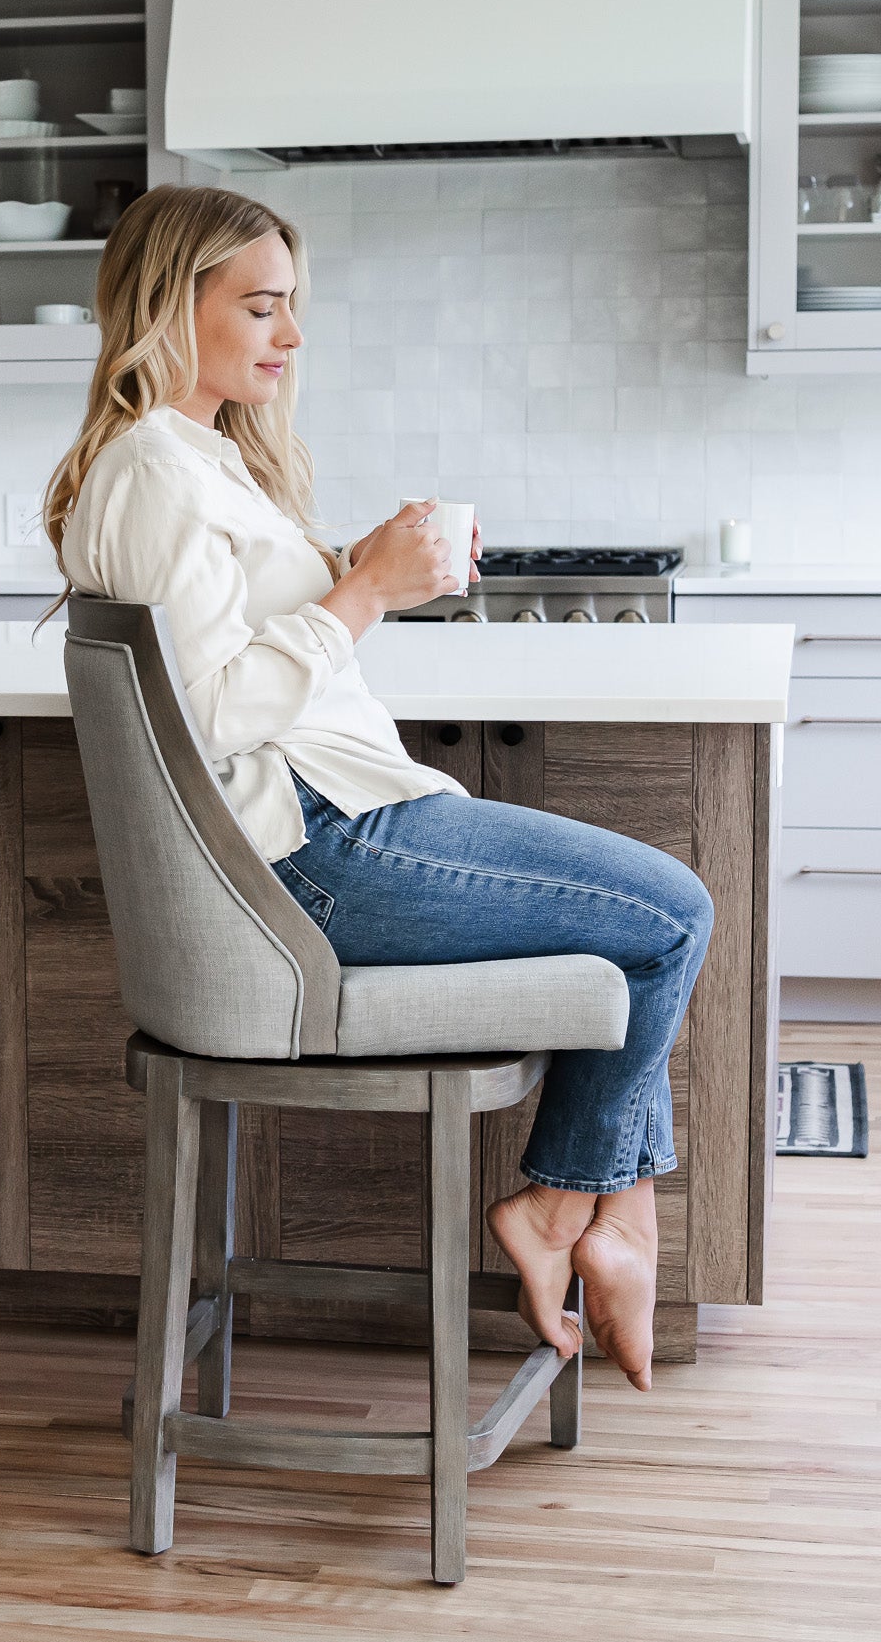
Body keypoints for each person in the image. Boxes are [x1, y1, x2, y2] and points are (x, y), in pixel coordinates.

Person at [43, 185, 711, 1391]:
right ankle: (575, 1214)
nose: (289, 335)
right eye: (259, 306)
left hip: (343, 823)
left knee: (644, 925)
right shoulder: (151, 470)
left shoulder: (198, 459)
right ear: (163, 308)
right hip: (312, 855)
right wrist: (360, 595)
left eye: (291, 306)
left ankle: (595, 1212)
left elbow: (231, 641)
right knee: (667, 916)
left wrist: (358, 563)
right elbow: (207, 717)